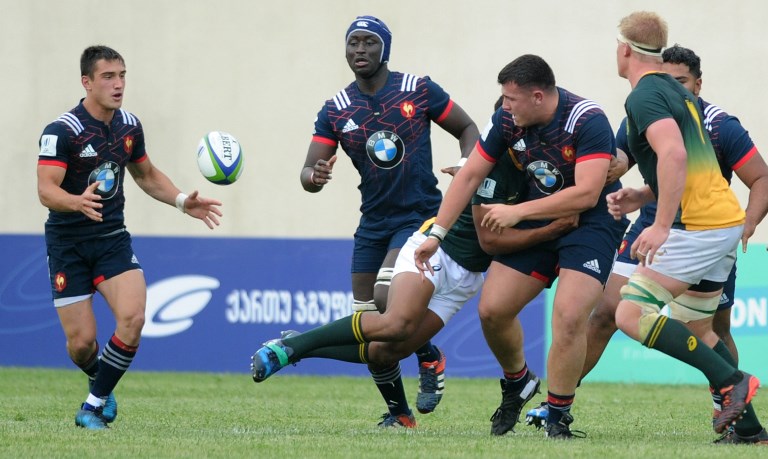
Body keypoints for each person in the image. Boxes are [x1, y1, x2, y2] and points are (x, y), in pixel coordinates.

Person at [526, 45, 768, 445]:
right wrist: (618, 181)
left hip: (695, 232)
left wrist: (750, 222)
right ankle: (559, 407)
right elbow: (624, 158)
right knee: (618, 314)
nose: (669, 88)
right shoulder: (647, 107)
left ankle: (734, 391)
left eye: (680, 82)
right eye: (664, 79)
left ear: (697, 84)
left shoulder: (719, 124)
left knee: (669, 322)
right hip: (663, 229)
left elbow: (757, 177)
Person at [252, 140, 578, 427]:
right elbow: (491, 240)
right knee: (395, 322)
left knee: (387, 351)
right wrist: (551, 230)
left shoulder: (538, 166)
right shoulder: (492, 158)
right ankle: (288, 348)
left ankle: (301, 346)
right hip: (432, 250)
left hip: (465, 278)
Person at [413, 54, 627, 439]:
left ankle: (558, 418)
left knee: (568, 315)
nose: (504, 105)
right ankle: (518, 382)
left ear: (539, 97)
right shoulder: (507, 120)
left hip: (591, 223)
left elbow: (586, 193)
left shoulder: (587, 119)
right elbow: (469, 176)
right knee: (493, 310)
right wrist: (436, 235)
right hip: (540, 220)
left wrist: (518, 212)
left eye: (511, 98)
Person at [298, 16, 479, 417]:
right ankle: (400, 415)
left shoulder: (417, 89)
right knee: (368, 328)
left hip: (418, 216)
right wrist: (316, 175)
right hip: (372, 224)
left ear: (385, 49)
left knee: (385, 298)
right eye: (352, 43)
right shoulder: (336, 109)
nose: (359, 50)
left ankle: (428, 354)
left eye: (369, 43)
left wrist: (468, 162)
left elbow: (467, 126)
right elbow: (308, 172)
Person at [36, 45, 223, 430]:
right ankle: (97, 378)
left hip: (112, 239)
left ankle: (93, 403)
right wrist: (76, 201)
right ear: (87, 82)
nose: (118, 84)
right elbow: (45, 190)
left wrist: (181, 201)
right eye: (108, 77)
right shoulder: (61, 131)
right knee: (82, 343)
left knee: (133, 318)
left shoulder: (129, 126)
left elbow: (146, 174)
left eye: (122, 75)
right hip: (68, 244)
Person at [607, 11, 759, 437]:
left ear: (625, 50)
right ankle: (748, 429)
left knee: (629, 313)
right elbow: (689, 164)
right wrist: (643, 194)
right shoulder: (679, 95)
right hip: (722, 221)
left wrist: (660, 224)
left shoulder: (643, 96)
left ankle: (735, 383)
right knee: (696, 328)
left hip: (698, 228)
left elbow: (674, 156)